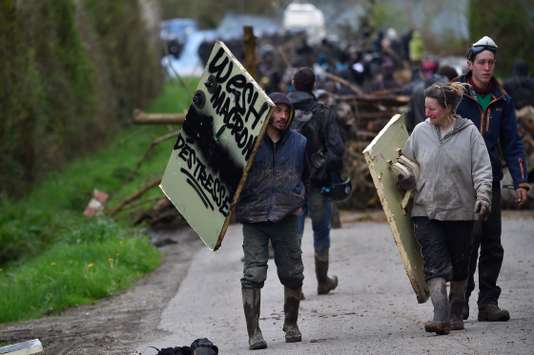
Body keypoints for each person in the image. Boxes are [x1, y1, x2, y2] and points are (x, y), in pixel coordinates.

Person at [401, 82, 493, 335]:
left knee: (460, 263)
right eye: (425, 108)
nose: (427, 113)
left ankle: (456, 310)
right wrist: (405, 176)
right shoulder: (420, 132)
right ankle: (440, 314)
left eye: (432, 109)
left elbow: (483, 168)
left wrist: (483, 196)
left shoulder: (470, 133)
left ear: (448, 108)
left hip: (460, 210)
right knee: (434, 264)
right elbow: (406, 163)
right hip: (425, 209)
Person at [456, 36, 530, 322]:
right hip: (461, 182)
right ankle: (459, 301)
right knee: (466, 244)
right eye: (482, 62)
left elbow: (512, 143)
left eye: (491, 62)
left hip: (492, 181)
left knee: (492, 243)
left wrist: (521, 180)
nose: (487, 67)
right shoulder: (455, 96)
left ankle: (488, 303)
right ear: (470, 64)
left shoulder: (503, 100)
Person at [235, 92, 307, 350]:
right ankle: (254, 333)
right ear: (266, 112)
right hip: (253, 217)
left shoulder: (299, 143)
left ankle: (291, 324)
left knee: (292, 274)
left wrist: (300, 202)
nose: (282, 116)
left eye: (286, 112)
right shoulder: (248, 142)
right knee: (253, 274)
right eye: (277, 110)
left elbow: (307, 176)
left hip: (286, 217)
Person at [288, 67, 345, 295]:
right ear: (313, 86)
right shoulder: (324, 113)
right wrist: (323, 171)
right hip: (318, 185)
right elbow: (337, 150)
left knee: (293, 235)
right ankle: (322, 280)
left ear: (293, 84)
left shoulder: (281, 112)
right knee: (321, 232)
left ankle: (295, 287)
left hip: (289, 186)